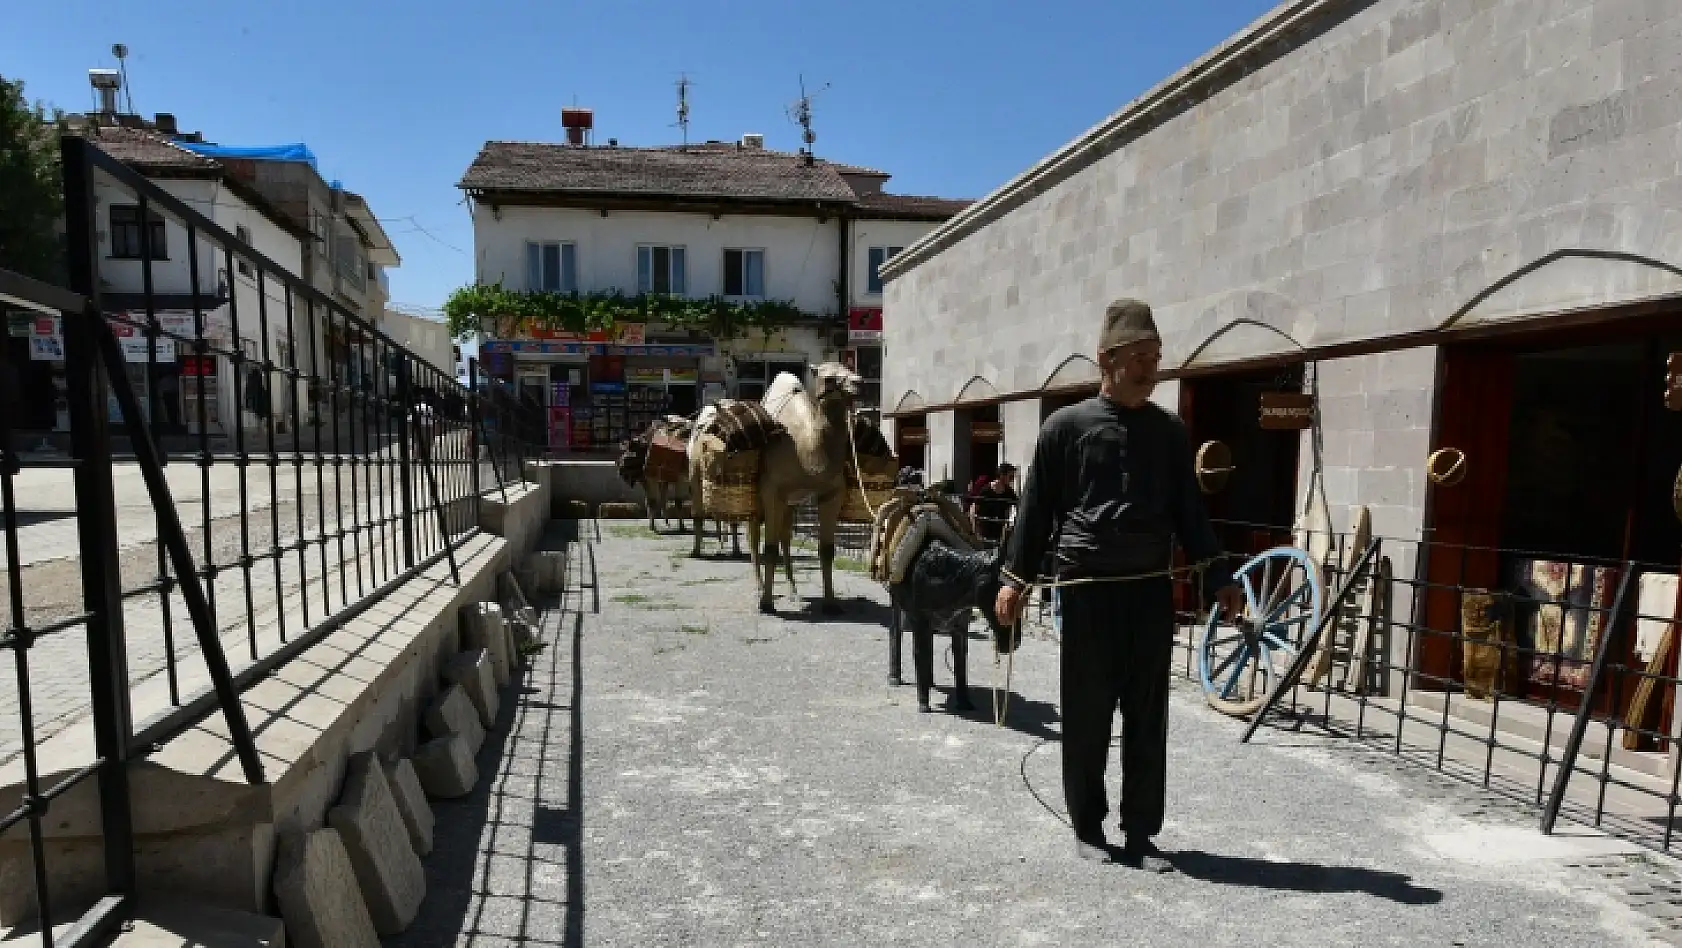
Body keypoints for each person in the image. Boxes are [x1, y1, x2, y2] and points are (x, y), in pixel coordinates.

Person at [994, 298, 1244, 871]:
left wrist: (1220, 575)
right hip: (1086, 593)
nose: (1150, 367)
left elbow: (1191, 514)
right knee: (1086, 713)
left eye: (1155, 356)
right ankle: (1088, 826)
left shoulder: (1169, 432)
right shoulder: (1066, 428)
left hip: (1148, 593)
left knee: (1147, 716)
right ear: (1107, 359)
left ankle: (1139, 833)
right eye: (1139, 357)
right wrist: (1014, 578)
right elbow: (1036, 513)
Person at [968, 463, 1018, 546]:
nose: (1012, 480)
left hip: (1000, 534)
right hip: (985, 532)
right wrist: (975, 531)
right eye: (1010, 477)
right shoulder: (986, 490)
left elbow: (1018, 506)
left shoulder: (1009, 492)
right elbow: (973, 510)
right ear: (1002, 475)